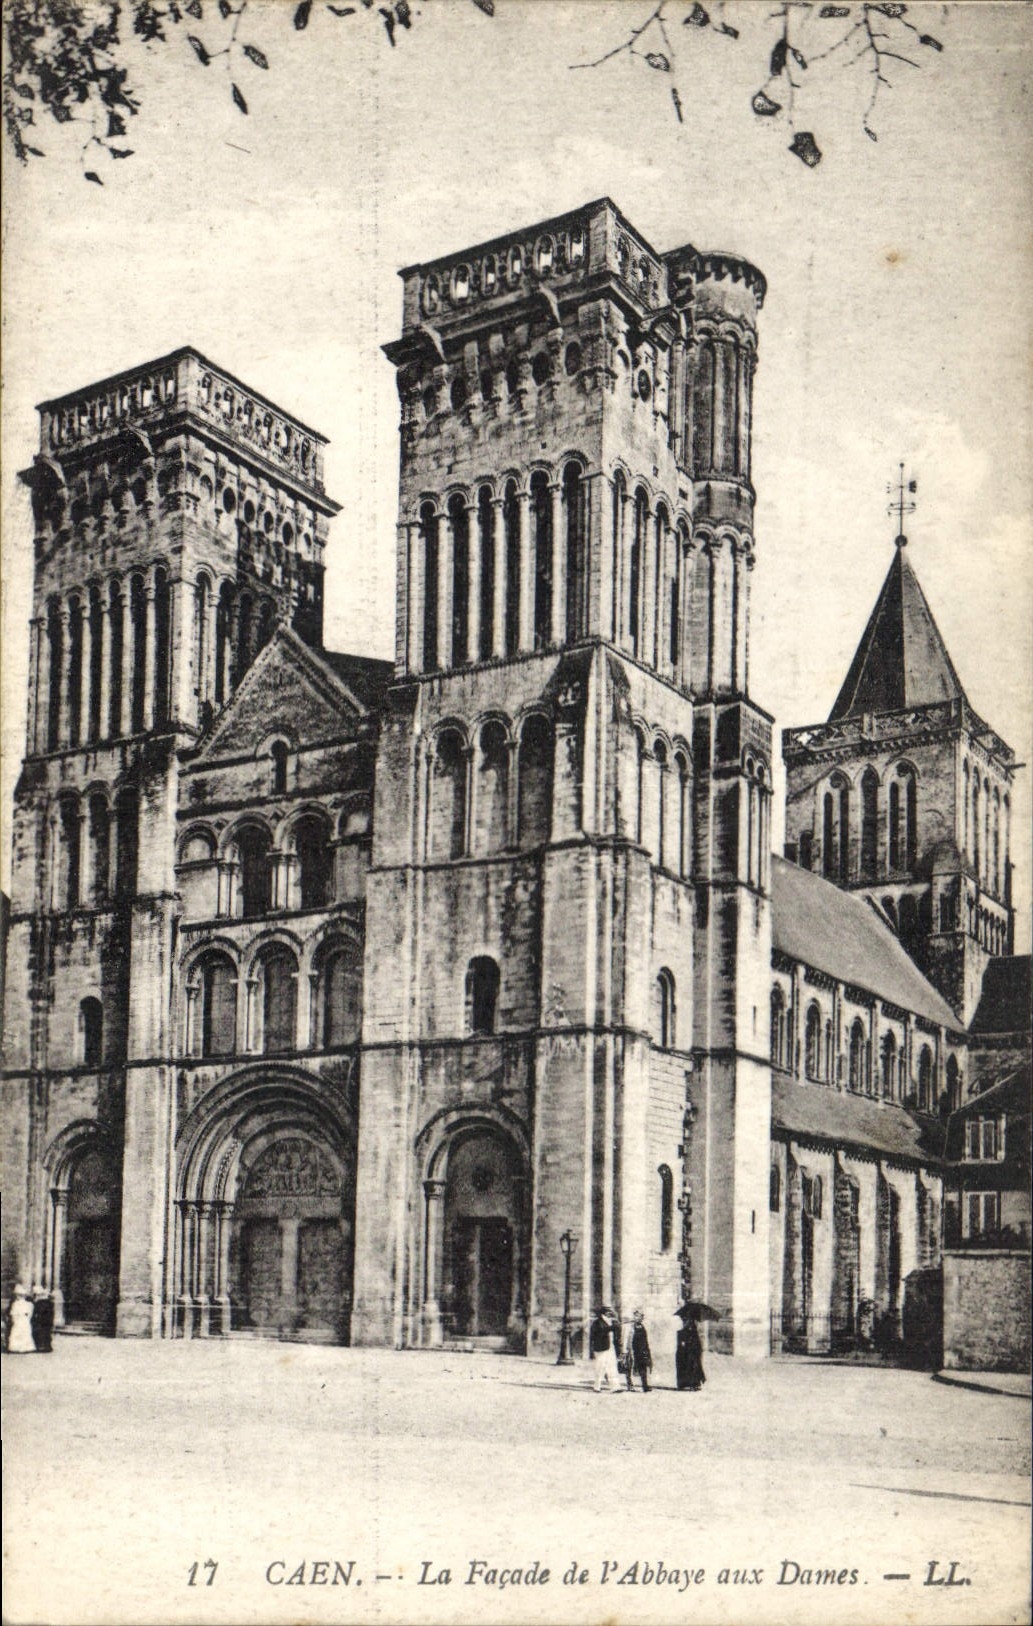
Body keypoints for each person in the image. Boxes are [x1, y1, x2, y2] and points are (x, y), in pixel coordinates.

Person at [589, 1305, 622, 1392]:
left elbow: (615, 1332)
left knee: (612, 1367)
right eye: (608, 1312)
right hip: (601, 1348)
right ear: (603, 1313)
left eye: (610, 1312)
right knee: (600, 1367)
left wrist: (616, 1326)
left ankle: (615, 1387)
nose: (610, 1313)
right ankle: (597, 1387)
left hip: (610, 1347)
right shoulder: (597, 1323)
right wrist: (612, 1328)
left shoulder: (610, 1322)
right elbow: (601, 1331)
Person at [624, 1308, 652, 1392]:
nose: (640, 1317)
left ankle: (645, 1386)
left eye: (641, 1316)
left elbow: (645, 1339)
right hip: (632, 1350)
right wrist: (625, 1350)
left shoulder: (642, 1326)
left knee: (643, 1367)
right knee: (629, 1367)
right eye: (637, 1315)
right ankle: (630, 1385)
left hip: (642, 1350)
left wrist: (646, 1349)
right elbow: (626, 1338)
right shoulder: (630, 1326)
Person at [676, 1314, 705, 1391]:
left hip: (693, 1353)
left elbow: (697, 1344)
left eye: (687, 1321)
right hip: (685, 1353)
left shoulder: (694, 1332)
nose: (685, 1323)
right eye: (684, 1321)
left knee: (694, 1368)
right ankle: (684, 1384)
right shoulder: (681, 1332)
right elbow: (680, 1344)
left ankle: (695, 1384)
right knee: (686, 1368)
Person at [6, 1286, 35, 1354]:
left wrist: (14, 1320)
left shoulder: (16, 1304)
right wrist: (27, 1319)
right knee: (25, 1332)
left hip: (18, 1320)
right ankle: (25, 1347)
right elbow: (30, 1314)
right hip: (25, 1320)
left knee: (17, 1333)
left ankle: (16, 1347)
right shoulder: (29, 1304)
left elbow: (13, 1314)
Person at [31, 1284, 54, 1353]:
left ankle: (42, 1346)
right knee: (46, 1333)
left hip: (42, 1320)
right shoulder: (49, 1302)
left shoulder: (39, 1303)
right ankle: (46, 1346)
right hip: (47, 1320)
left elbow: (38, 1312)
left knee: (42, 1333)